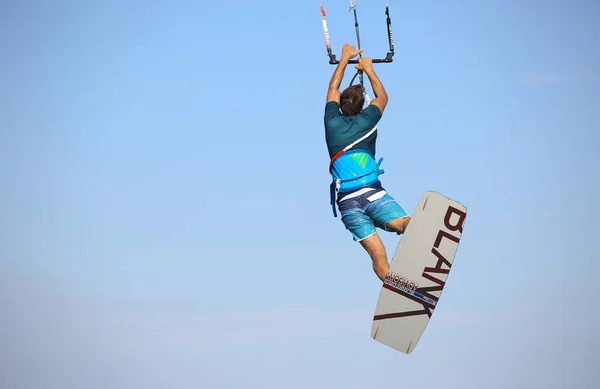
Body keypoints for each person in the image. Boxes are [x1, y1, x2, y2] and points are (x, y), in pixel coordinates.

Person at [324, 43, 411, 283]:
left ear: (340, 106)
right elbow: (382, 97)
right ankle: (413, 234)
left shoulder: (331, 122)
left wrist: (344, 59)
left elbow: (333, 87)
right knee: (407, 226)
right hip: (373, 195)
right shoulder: (368, 120)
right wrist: (369, 69)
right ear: (362, 106)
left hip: (347, 204)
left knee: (377, 254)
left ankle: (398, 287)